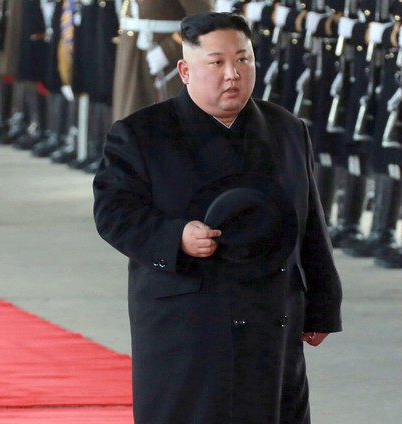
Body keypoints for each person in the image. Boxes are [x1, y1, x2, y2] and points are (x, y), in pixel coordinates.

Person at [93, 13, 342, 423]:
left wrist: (323, 305)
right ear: (185, 70)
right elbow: (113, 212)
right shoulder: (141, 133)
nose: (233, 74)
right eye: (217, 62)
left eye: (244, 60)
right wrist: (176, 237)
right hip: (188, 316)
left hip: (271, 311)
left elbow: (309, 223)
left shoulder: (286, 129)